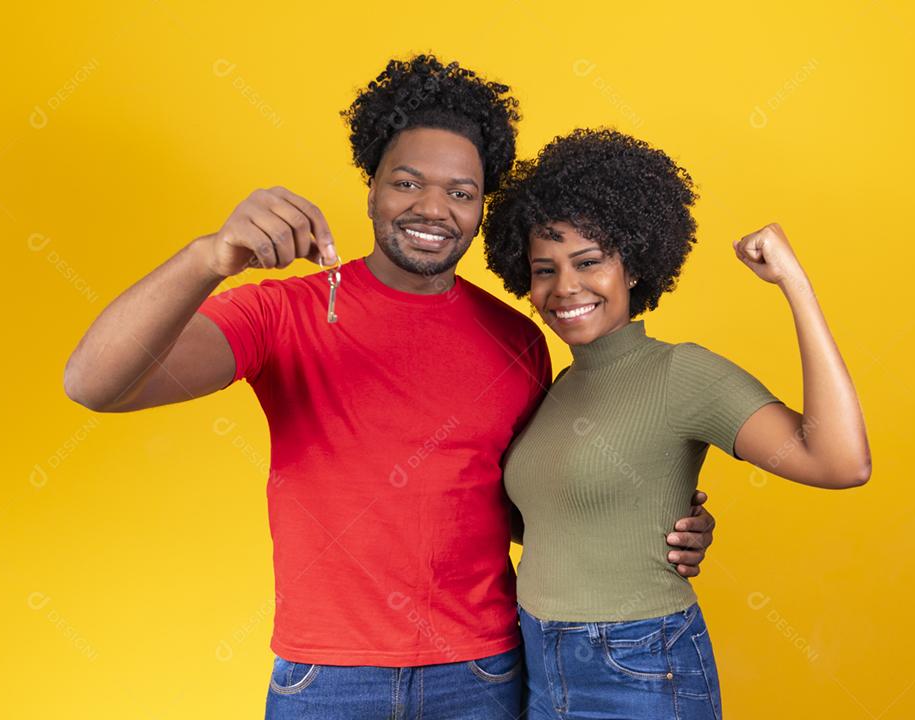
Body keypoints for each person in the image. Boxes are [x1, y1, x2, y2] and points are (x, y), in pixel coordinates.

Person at [63, 56, 715, 719]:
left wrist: (649, 519)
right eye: (408, 183)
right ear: (371, 184)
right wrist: (209, 259)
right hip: (330, 679)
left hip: (485, 671)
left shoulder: (517, 338)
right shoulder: (284, 314)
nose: (433, 208)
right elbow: (95, 384)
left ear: (482, 207)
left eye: (461, 193)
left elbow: (525, 506)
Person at [483, 128, 872, 720]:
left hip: (636, 665)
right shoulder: (556, 387)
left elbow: (841, 462)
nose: (565, 287)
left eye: (589, 262)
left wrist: (795, 284)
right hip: (537, 657)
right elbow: (557, 519)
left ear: (633, 265)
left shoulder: (681, 373)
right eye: (544, 269)